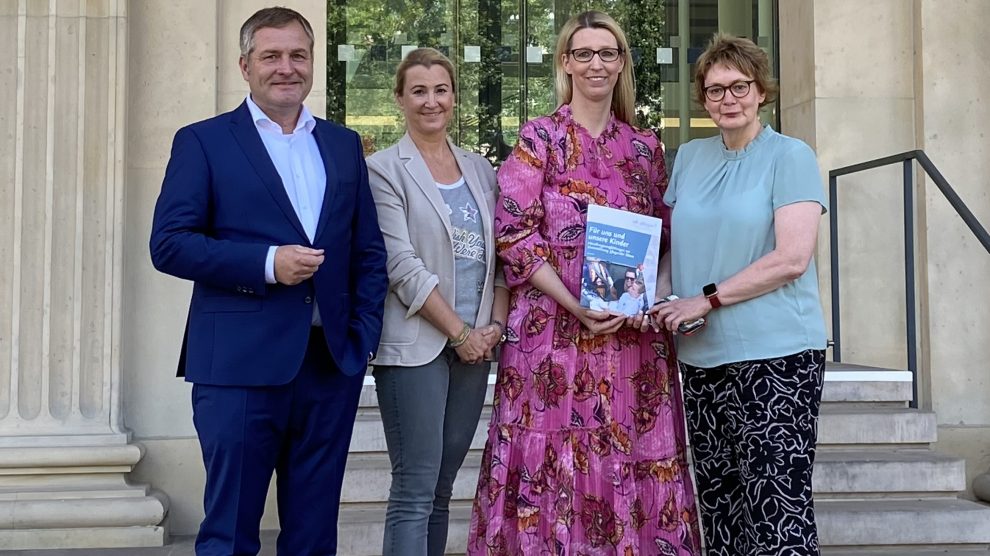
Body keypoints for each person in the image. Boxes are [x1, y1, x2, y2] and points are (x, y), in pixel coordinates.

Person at [148, 7, 387, 555]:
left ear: (312, 64)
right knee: (229, 530)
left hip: (330, 364)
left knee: (313, 533)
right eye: (271, 55)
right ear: (245, 64)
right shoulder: (204, 141)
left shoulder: (342, 144)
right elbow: (169, 243)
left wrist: (362, 337)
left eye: (298, 55)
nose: (286, 67)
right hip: (237, 365)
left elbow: (368, 253)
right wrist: (266, 262)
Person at [468, 11, 701, 555]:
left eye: (608, 53)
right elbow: (515, 237)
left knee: (632, 458)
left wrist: (651, 297)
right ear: (566, 64)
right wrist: (575, 304)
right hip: (551, 339)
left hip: (631, 344)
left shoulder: (645, 149)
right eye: (584, 53)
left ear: (621, 64)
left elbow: (666, 241)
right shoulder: (539, 139)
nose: (596, 63)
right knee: (548, 459)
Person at [652, 33, 829, 556]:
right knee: (720, 508)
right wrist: (648, 297)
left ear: (761, 91)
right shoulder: (689, 158)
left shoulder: (790, 156)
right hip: (702, 357)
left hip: (777, 355)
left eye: (739, 87)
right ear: (702, 98)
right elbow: (673, 250)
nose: (727, 99)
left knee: (777, 508)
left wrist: (704, 300)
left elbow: (792, 258)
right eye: (714, 90)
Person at [365, 47, 509, 556]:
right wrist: (462, 333)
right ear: (400, 98)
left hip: (475, 347)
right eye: (419, 91)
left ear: (454, 97)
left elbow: (502, 258)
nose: (431, 101)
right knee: (415, 487)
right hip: (417, 346)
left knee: (444, 487)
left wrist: (494, 325)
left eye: (441, 90)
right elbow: (401, 266)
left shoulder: (480, 170)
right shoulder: (383, 169)